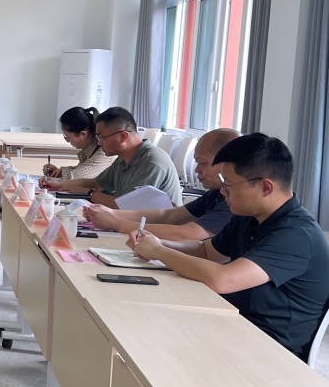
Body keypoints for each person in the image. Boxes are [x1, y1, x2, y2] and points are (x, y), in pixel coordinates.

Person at [127, 134, 329, 362]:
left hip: (271, 350)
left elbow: (222, 279)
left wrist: (158, 251)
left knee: (153, 344)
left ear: (265, 187)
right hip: (232, 323)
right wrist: (159, 242)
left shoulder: (296, 235)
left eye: (228, 185)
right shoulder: (249, 215)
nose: (222, 192)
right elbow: (206, 251)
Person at [85, 128, 240, 239]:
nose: (197, 170)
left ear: (227, 164)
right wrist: (111, 213)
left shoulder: (234, 201)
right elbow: (167, 215)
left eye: (203, 163)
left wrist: (116, 223)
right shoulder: (216, 193)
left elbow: (186, 234)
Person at [41, 106, 181, 208]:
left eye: (101, 138)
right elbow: (96, 183)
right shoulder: (123, 158)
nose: (98, 143)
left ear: (123, 136)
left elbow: (127, 206)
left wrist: (87, 192)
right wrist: (60, 185)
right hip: (134, 224)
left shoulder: (151, 162)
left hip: (157, 232)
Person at [41, 107, 115, 181]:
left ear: (83, 134)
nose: (68, 141)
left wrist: (52, 179)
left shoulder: (104, 153)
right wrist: (60, 172)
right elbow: (81, 169)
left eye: (68, 138)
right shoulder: (91, 149)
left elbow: (76, 179)